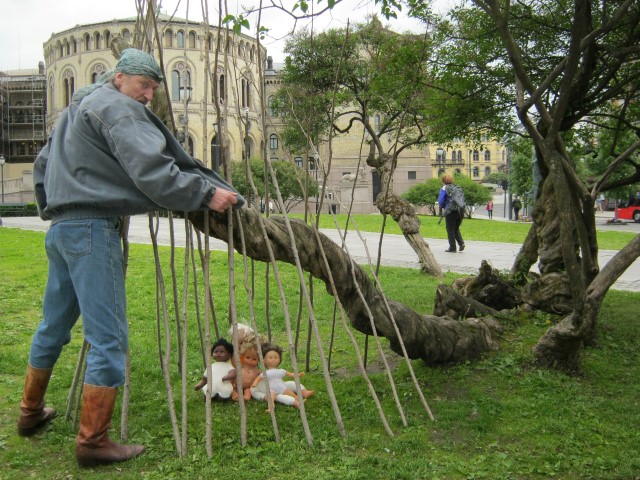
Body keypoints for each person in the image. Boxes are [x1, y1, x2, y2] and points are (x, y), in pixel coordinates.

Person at [18, 48, 244, 468]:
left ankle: (30, 412)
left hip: (62, 230)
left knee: (53, 325)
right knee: (108, 339)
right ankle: (93, 442)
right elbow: (150, 167)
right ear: (119, 78)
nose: (148, 96)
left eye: (155, 88)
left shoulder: (74, 110)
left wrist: (52, 208)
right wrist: (206, 192)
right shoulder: (115, 107)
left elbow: (41, 166)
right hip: (91, 230)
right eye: (144, 85)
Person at [437, 174, 465, 253]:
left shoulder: (444, 188)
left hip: (450, 210)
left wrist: (443, 207)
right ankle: (461, 243)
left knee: (450, 230)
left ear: (443, 181)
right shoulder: (457, 187)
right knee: (456, 228)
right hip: (460, 210)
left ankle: (452, 247)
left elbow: (441, 201)